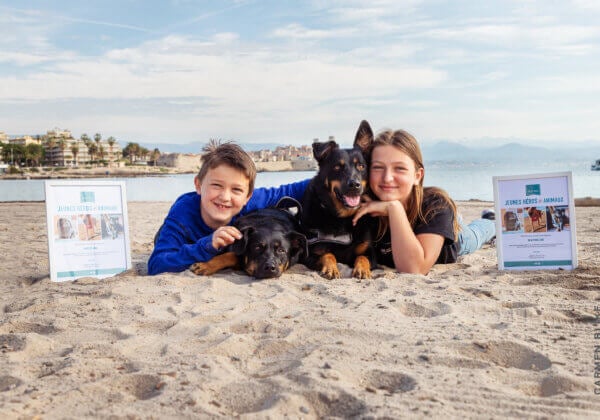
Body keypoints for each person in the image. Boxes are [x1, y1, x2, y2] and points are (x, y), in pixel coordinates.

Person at [148, 140, 310, 275]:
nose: (225, 197)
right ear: (198, 185)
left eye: (236, 189)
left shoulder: (251, 201)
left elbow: (293, 190)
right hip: (189, 240)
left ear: (248, 196)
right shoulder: (183, 214)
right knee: (165, 240)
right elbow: (157, 265)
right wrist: (208, 244)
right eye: (217, 185)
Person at [352, 128, 495, 275]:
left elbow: (414, 270)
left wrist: (394, 208)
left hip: (456, 239)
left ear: (417, 176)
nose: (387, 177)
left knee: (478, 234)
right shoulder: (361, 207)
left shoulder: (435, 205)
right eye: (378, 167)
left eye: (400, 168)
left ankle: (491, 219)